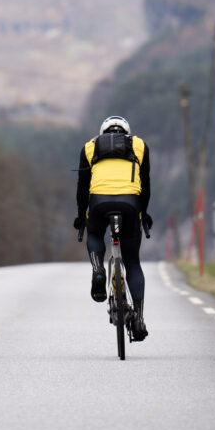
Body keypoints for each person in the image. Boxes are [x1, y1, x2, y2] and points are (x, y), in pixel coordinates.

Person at [74, 115, 153, 341]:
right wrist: (143, 213)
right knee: (132, 262)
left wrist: (81, 216)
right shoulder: (139, 146)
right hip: (130, 204)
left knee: (95, 233)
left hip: (99, 203)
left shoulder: (89, 147)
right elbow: (145, 185)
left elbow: (82, 189)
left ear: (102, 133)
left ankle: (98, 269)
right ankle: (138, 318)